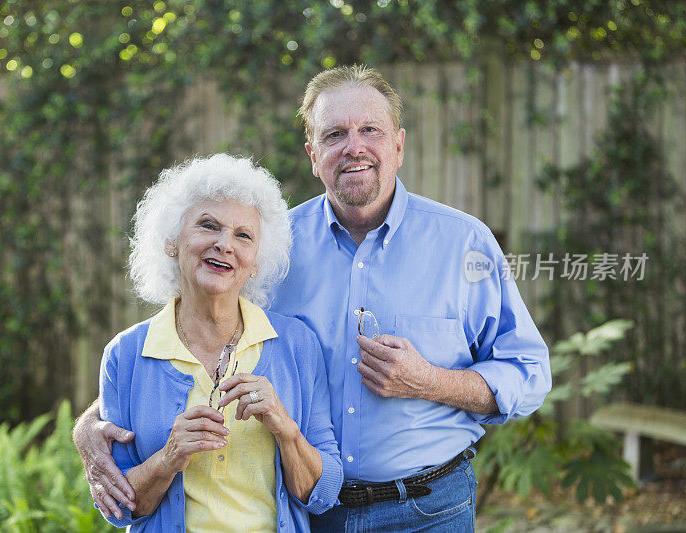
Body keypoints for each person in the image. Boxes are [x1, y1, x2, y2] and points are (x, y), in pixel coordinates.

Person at [74, 66, 551, 532]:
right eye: (335, 134)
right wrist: (89, 427)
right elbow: (195, 343)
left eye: (371, 130)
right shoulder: (268, 246)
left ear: (399, 145)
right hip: (309, 514)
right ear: (312, 153)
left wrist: (429, 382)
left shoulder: (463, 243)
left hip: (430, 509)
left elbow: (528, 373)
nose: (354, 147)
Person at [90, 154, 342, 532]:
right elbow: (119, 508)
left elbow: (323, 493)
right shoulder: (125, 356)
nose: (225, 244)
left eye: (243, 235)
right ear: (172, 241)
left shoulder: (296, 345)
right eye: (209, 226)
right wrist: (169, 457)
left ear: (256, 261)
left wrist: (285, 428)